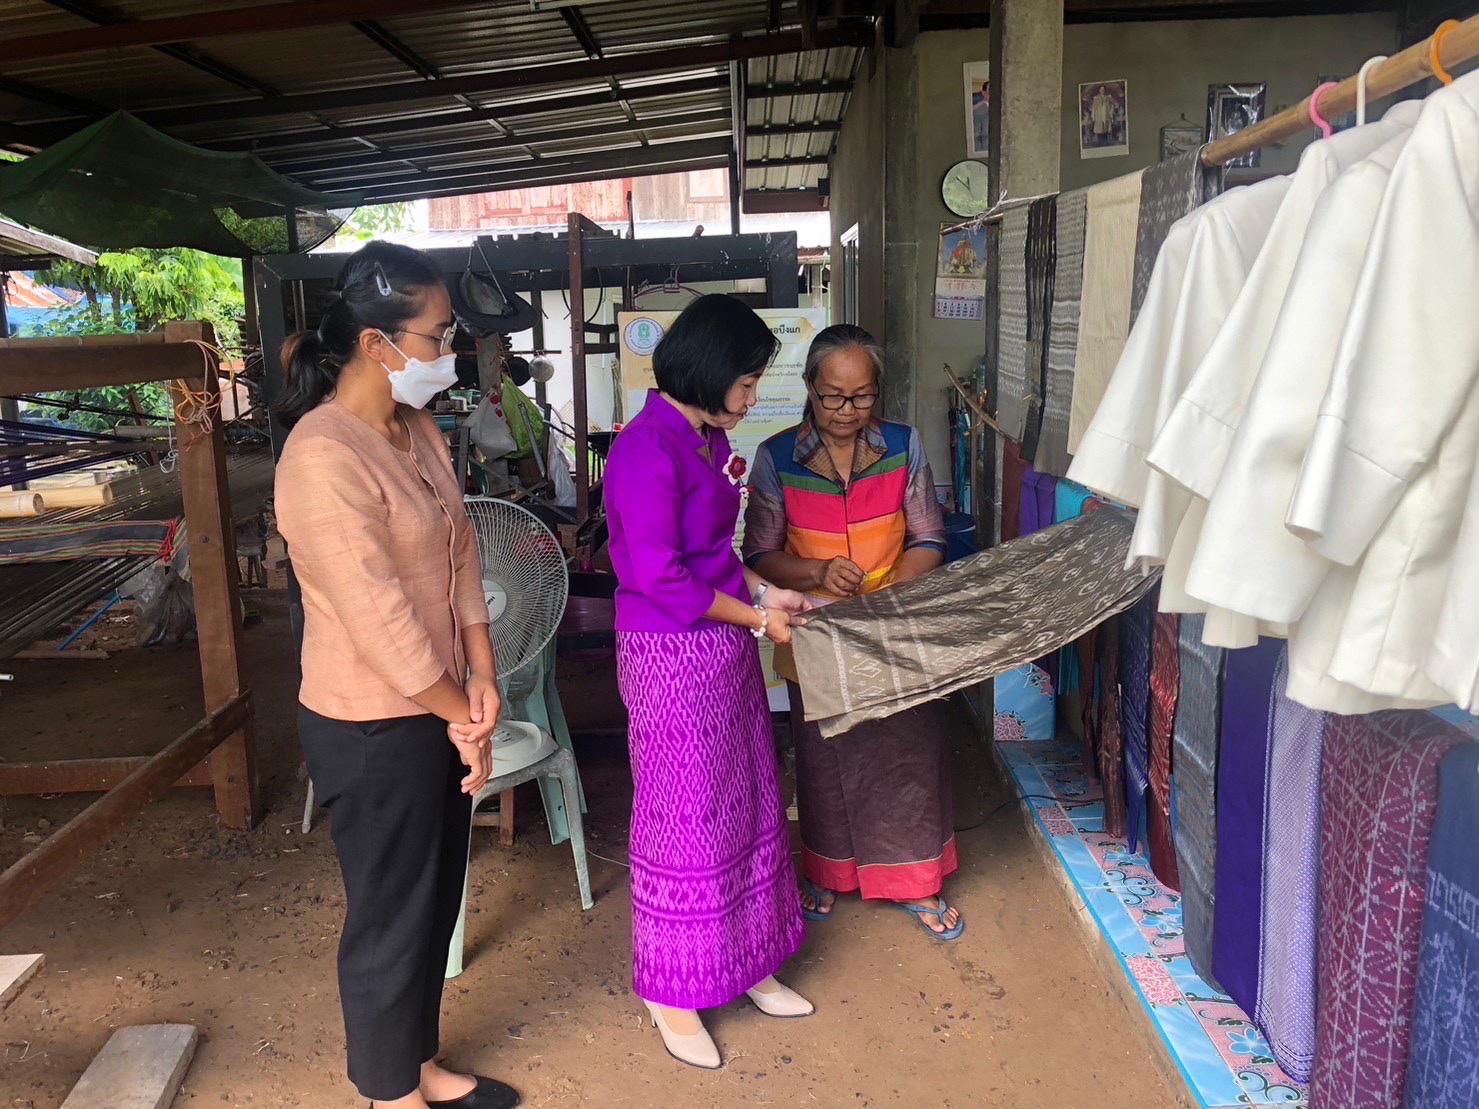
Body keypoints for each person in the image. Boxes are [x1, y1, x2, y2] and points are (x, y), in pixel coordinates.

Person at [273, 242, 518, 1109]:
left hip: (436, 705)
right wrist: (462, 712)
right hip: (371, 725)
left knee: (433, 896)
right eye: (438, 332)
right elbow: (376, 618)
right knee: (389, 912)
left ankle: (417, 1064)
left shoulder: (414, 430)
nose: (449, 349)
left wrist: (481, 674)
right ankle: (388, 1094)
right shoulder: (320, 455)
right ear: (378, 345)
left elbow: (459, 555)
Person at [603, 294, 814, 1070]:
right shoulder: (644, 449)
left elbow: (713, 559)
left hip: (720, 645)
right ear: (711, 369)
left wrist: (763, 597)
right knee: (685, 813)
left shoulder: (694, 438)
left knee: (746, 796)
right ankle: (674, 987)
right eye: (749, 381)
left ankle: (746, 957)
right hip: (669, 654)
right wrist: (756, 619)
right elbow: (658, 574)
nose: (754, 397)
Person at [743, 323, 964, 940]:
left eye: (862, 396)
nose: (847, 411)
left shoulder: (903, 446)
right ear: (810, 389)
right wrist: (815, 570)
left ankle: (915, 880)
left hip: (896, 624)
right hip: (815, 629)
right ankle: (828, 872)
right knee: (825, 754)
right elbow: (758, 552)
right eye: (833, 396)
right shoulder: (777, 456)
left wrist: (891, 592)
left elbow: (927, 537)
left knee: (906, 749)